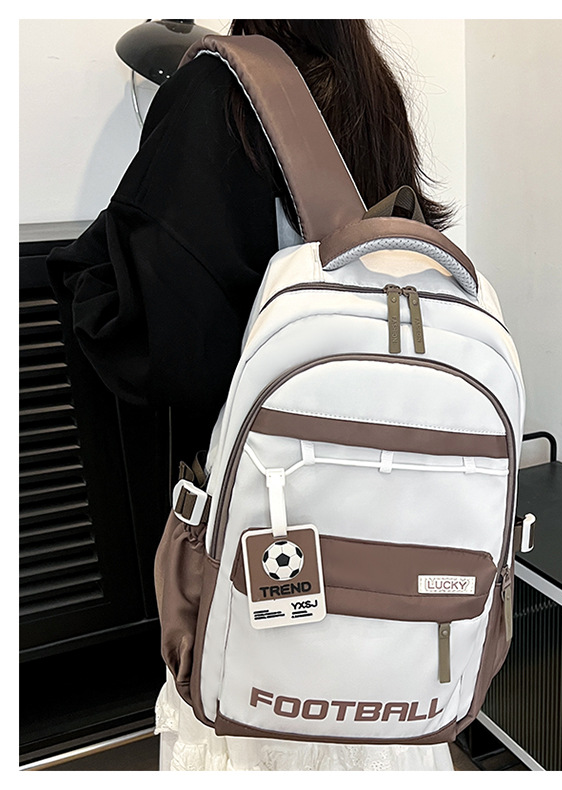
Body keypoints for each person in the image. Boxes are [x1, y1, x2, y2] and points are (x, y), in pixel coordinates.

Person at [47, 19, 456, 771]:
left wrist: (91, 268)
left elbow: (165, 343)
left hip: (266, 518)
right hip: (383, 531)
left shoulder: (221, 87)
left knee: (252, 718)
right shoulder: (374, 91)